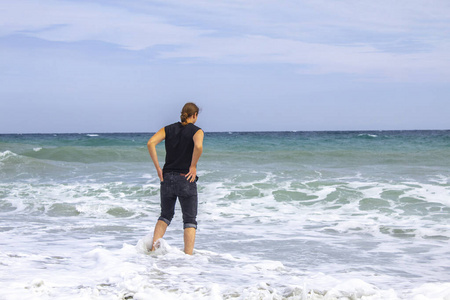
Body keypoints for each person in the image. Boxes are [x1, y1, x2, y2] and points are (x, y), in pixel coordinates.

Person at [147, 102, 204, 255]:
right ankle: (188, 257)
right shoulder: (197, 131)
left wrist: (158, 168)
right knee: (190, 219)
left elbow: (151, 143)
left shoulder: (168, 129)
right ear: (195, 115)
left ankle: (153, 249)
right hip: (185, 178)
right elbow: (198, 147)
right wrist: (193, 166)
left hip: (167, 178)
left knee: (165, 215)